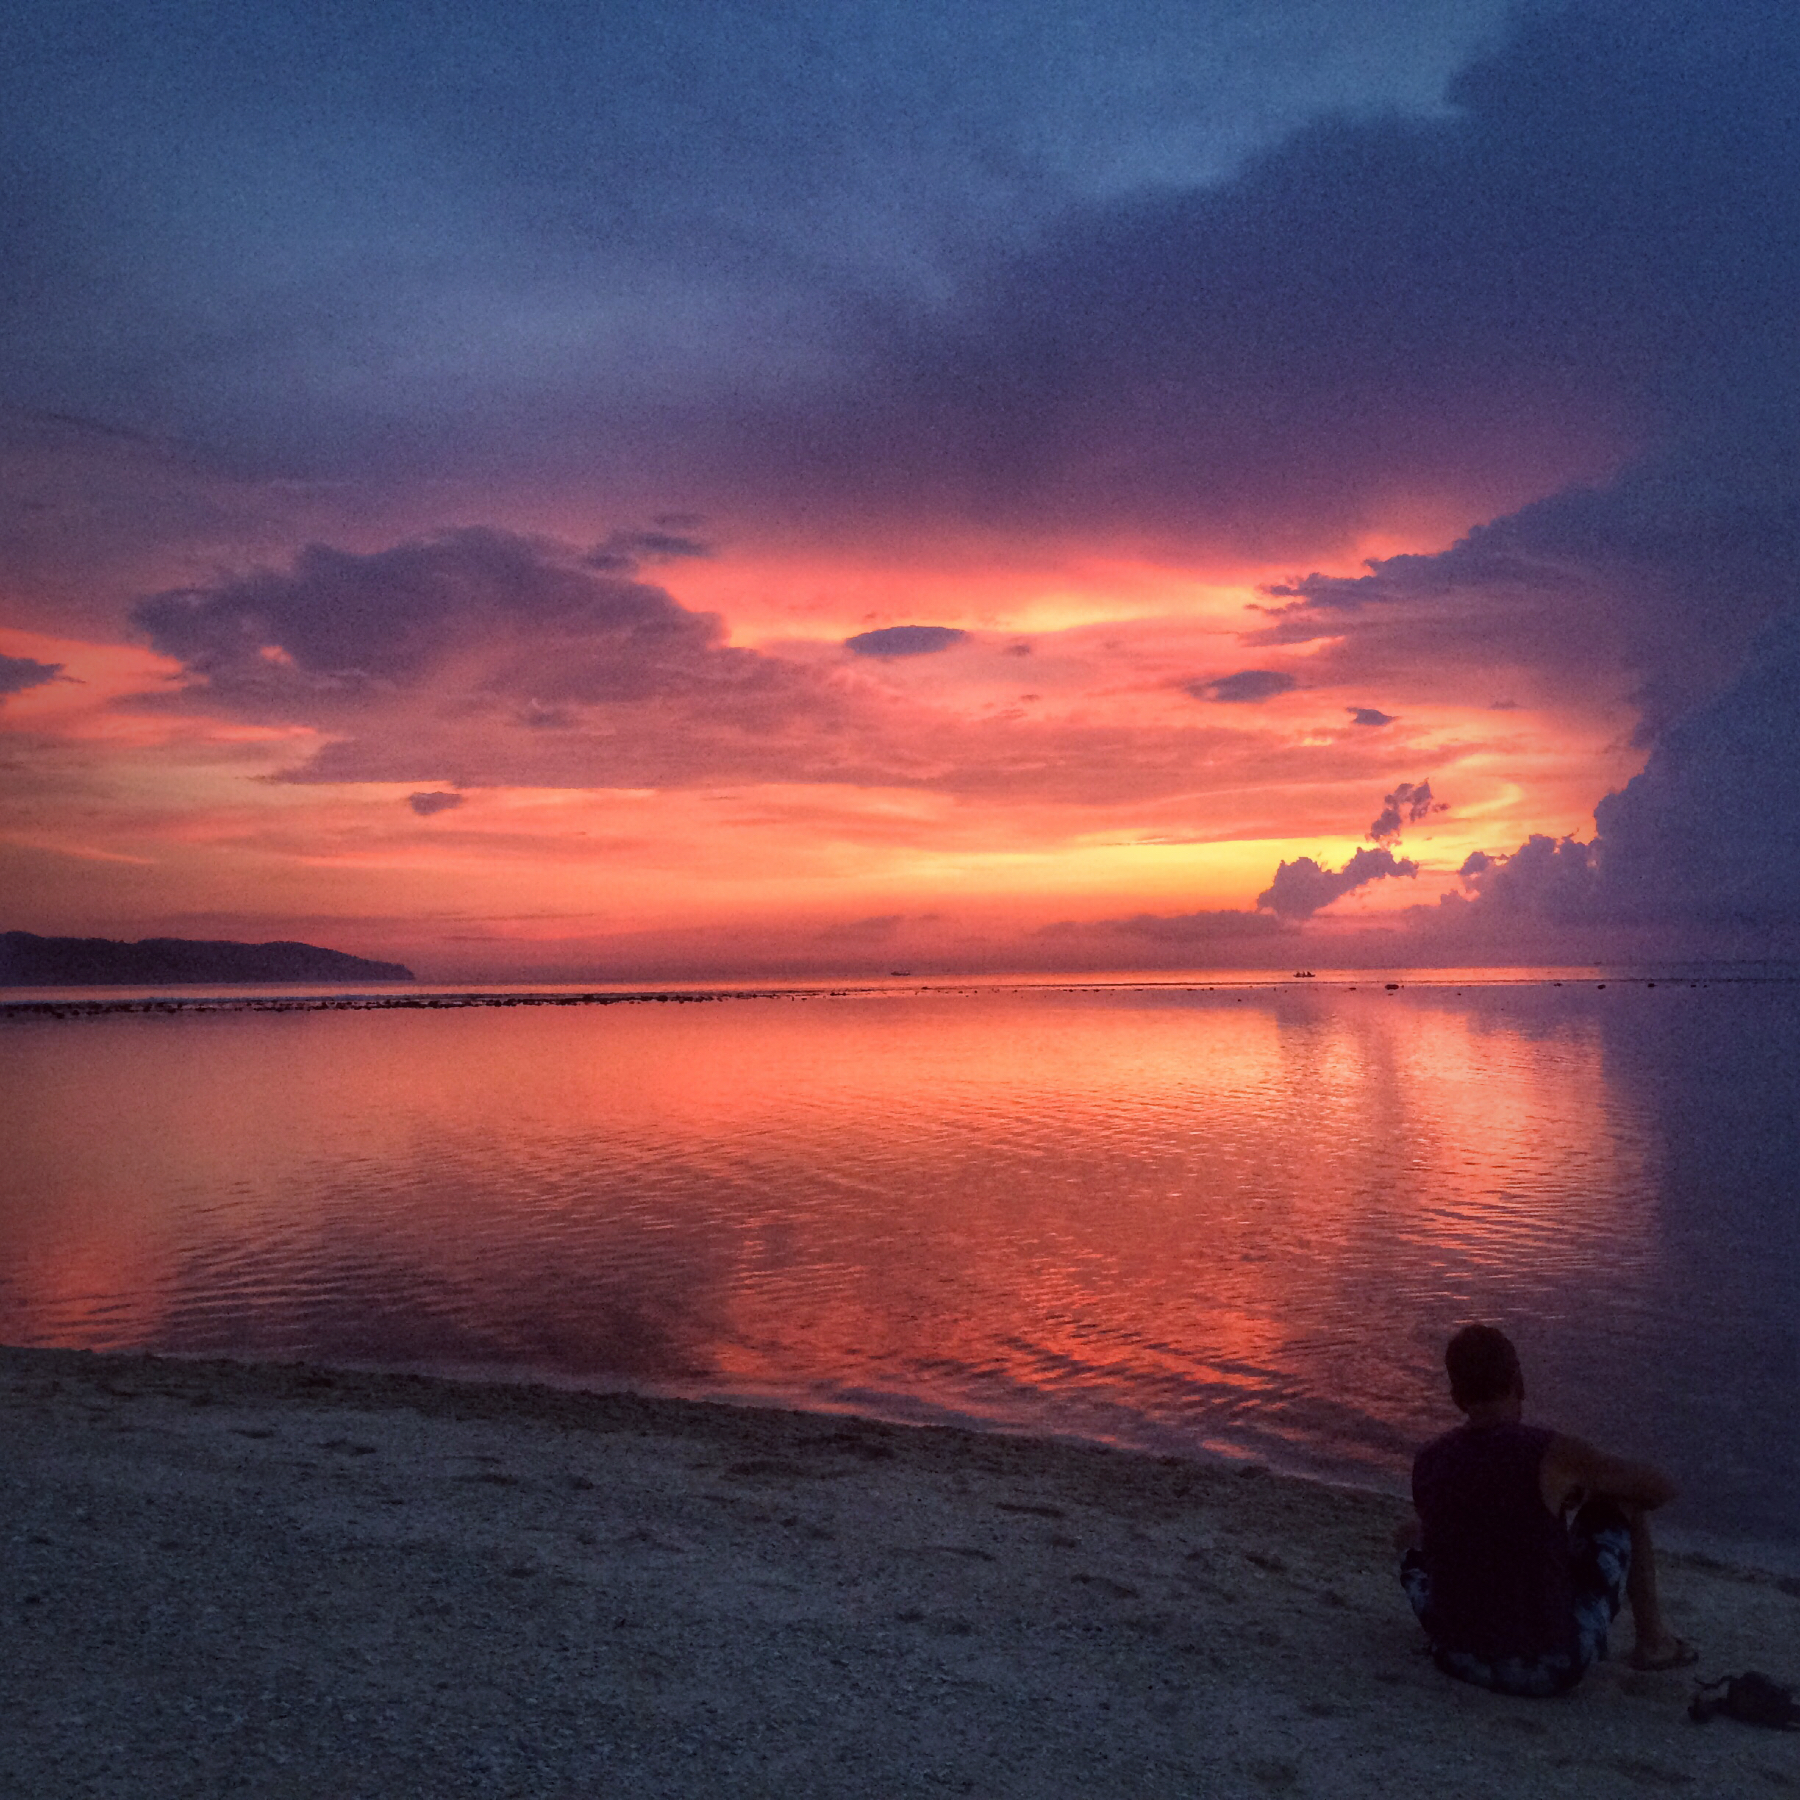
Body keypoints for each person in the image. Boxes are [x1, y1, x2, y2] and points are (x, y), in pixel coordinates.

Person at [1396, 1323, 1695, 1696]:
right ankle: (1654, 1643)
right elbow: (1661, 1488)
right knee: (1624, 1499)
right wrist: (1586, 1488)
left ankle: (1471, 1619)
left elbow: (1473, 1517)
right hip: (1548, 1665)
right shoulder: (1552, 1454)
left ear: (1457, 1397)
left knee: (1411, 1534)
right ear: (1519, 1382)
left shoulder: (1428, 1460)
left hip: (1455, 1655)